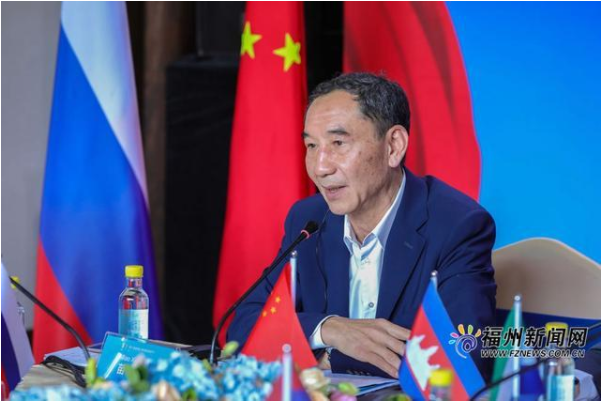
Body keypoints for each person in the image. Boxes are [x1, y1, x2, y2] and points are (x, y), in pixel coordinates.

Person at [227, 72, 496, 380]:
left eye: (338, 143)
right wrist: (328, 329)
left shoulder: (457, 225)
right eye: (311, 145)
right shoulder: (307, 219)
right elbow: (243, 327)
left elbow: (466, 355)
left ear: (393, 146)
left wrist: (330, 357)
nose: (320, 167)